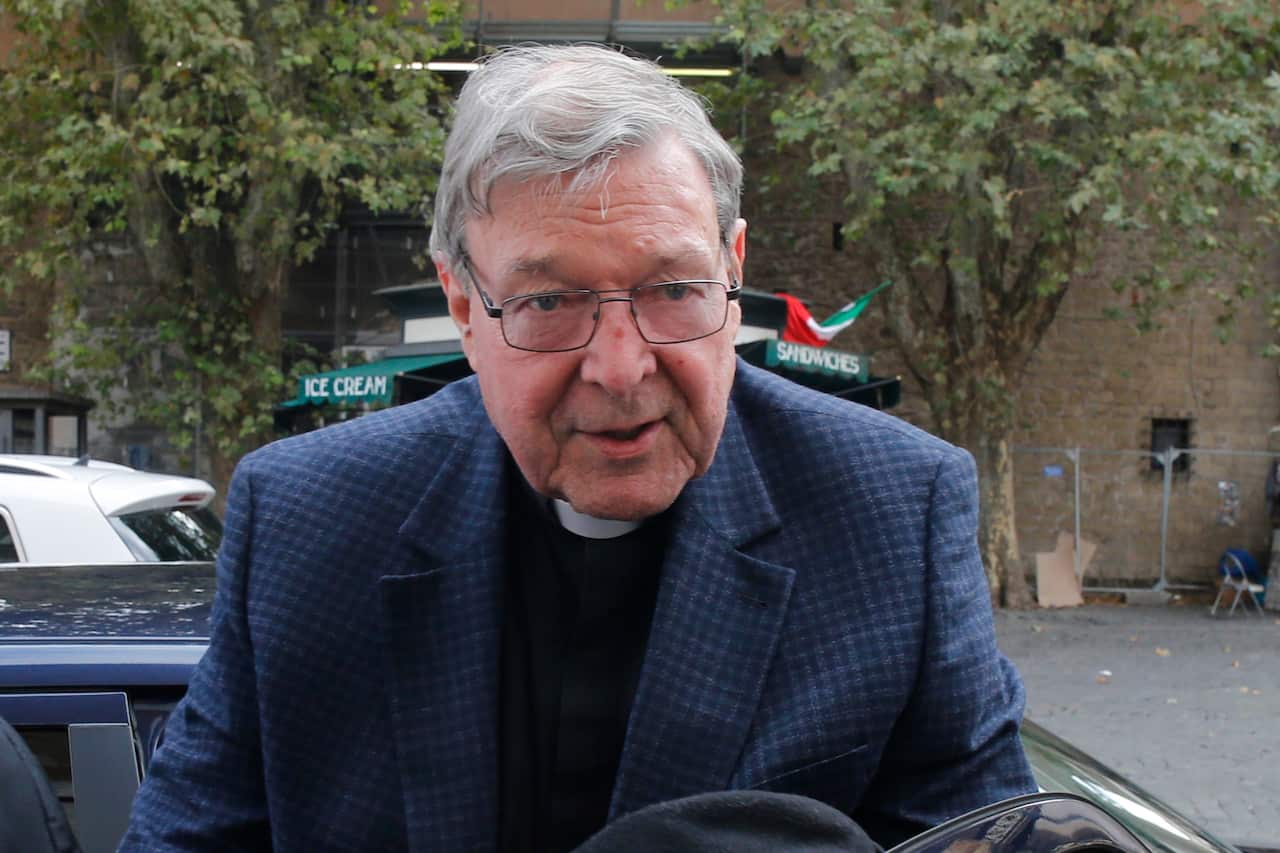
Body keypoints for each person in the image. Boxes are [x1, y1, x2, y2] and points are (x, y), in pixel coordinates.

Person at [121, 43, 1035, 852]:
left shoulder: (892, 511)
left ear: (733, 268)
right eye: (548, 303)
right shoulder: (310, 519)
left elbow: (986, 836)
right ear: (462, 305)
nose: (620, 365)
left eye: (672, 288)